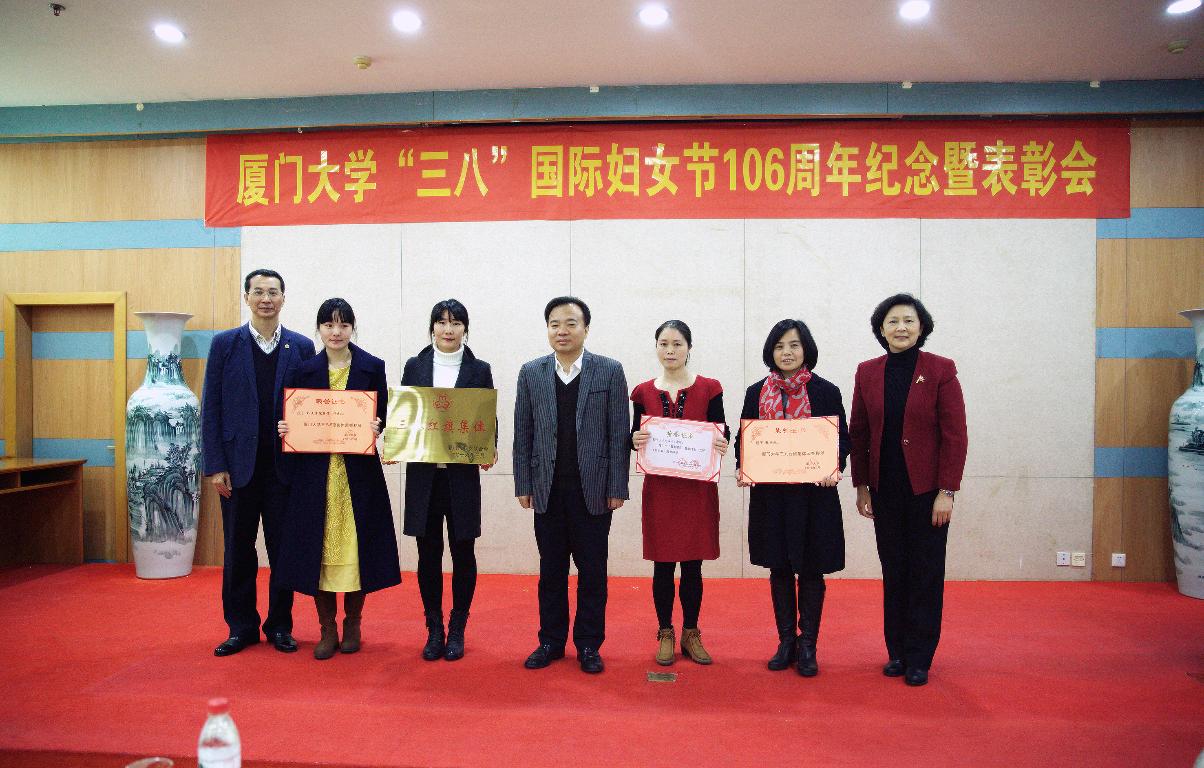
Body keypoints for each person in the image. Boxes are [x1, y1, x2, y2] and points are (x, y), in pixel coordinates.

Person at [849, 293, 967, 687]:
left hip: (927, 493)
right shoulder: (867, 372)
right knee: (894, 570)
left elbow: (955, 435)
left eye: (908, 321)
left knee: (925, 573)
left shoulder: (940, 370)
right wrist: (862, 486)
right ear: (881, 329)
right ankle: (897, 652)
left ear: (922, 327)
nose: (901, 328)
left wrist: (947, 491)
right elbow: (859, 433)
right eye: (893, 322)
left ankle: (920, 657)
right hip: (885, 490)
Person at [275, 298, 402, 660]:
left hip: (358, 475)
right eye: (329, 325)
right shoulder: (303, 370)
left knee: (357, 549)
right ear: (319, 329)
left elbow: (384, 415)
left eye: (343, 325)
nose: (336, 332)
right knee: (318, 549)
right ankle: (327, 628)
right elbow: (293, 417)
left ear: (352, 328)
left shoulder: (372, 367)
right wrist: (285, 428)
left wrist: (377, 426)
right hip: (315, 477)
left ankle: (353, 623)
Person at [202, 268, 315, 657]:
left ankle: (280, 625)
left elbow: (313, 405)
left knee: (283, 550)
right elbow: (211, 407)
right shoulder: (225, 345)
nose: (266, 299)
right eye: (259, 292)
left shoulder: (301, 347)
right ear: (246, 297)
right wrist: (215, 465)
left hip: (285, 469)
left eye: (273, 292)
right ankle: (241, 627)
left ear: (284, 298)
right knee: (238, 550)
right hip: (237, 470)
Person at [513, 296, 630, 674]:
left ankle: (589, 644)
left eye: (570, 323)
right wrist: (523, 482)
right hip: (547, 488)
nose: (561, 331)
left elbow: (618, 432)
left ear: (586, 328)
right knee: (551, 570)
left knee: (592, 571)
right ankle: (550, 641)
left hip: (593, 490)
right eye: (554, 324)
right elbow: (523, 431)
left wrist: (617, 486)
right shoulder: (531, 372)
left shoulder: (609, 371)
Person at [736, 319, 848, 678]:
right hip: (773, 497)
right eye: (780, 345)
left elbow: (841, 439)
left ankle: (808, 644)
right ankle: (786, 641)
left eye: (794, 345)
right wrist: (744, 466)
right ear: (771, 350)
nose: (787, 352)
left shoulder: (826, 391)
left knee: (812, 568)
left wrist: (835, 465)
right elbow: (744, 439)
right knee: (779, 567)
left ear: (806, 349)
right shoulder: (756, 392)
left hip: (815, 497)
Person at [630, 320, 729, 666]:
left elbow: (721, 429)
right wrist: (633, 440)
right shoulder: (642, 392)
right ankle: (665, 632)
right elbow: (634, 435)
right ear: (656, 347)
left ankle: (690, 632)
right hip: (660, 490)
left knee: (692, 564)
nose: (670, 350)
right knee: (662, 565)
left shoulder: (710, 388)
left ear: (689, 347)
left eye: (677, 344)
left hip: (696, 490)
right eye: (664, 344)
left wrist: (722, 441)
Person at [401, 299, 495, 662]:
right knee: (428, 553)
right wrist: (395, 440)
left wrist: (489, 447)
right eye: (441, 322)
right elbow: (405, 416)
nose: (448, 329)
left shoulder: (479, 369)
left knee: (463, 551)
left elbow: (486, 417)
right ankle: (434, 628)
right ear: (432, 327)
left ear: (465, 329)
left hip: (461, 477)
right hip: (424, 477)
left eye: (456, 323)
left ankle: (457, 627)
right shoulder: (415, 365)